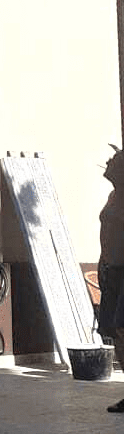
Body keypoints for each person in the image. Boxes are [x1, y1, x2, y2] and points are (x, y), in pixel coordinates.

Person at [97, 147, 124, 409]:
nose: (108, 162)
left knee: (122, 327)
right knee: (113, 331)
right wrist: (102, 261)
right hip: (112, 270)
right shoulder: (113, 196)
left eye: (114, 159)